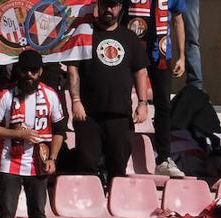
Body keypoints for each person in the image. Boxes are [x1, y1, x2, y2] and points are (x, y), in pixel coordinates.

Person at [66, 0, 149, 189]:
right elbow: (73, 69)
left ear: (121, 7)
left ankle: (115, 209)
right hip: (89, 115)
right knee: (86, 166)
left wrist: (143, 103)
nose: (109, 9)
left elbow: (140, 72)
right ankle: (86, 210)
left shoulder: (130, 38)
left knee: (117, 168)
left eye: (114, 5)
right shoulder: (84, 34)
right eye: (105, 5)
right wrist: (76, 100)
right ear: (98, 5)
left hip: (120, 115)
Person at [0, 48, 66, 218]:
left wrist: (52, 158)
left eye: (33, 70)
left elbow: (60, 130)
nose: (29, 75)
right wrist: (17, 134)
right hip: (9, 162)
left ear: (41, 71)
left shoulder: (51, 95)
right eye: (24, 70)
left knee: (38, 214)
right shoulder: (4, 95)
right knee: (6, 214)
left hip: (39, 163)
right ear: (18, 70)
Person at [123, 0, 186, 178]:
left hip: (161, 52)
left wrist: (182, 56)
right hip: (132, 50)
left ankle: (164, 158)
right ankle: (119, 153)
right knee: (123, 100)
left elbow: (178, 19)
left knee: (164, 105)